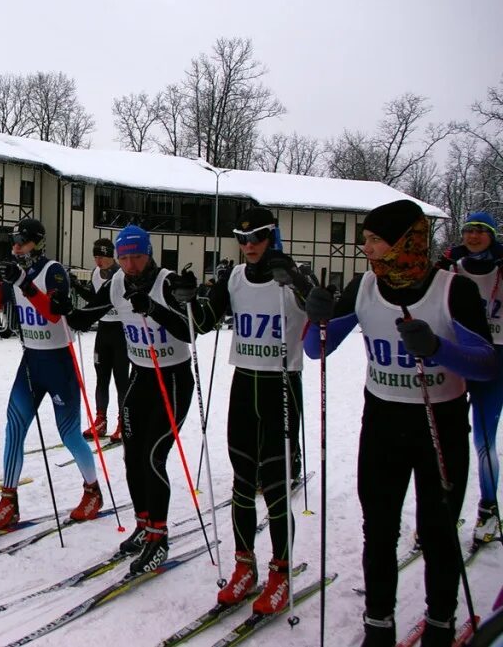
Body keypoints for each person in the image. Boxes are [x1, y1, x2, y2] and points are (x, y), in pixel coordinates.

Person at [304, 199, 495, 647]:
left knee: (438, 529)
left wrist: (438, 349)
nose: (365, 248)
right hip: (384, 420)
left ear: (403, 242)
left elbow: (487, 365)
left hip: (440, 421)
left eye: (373, 240)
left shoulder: (454, 289)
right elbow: (317, 350)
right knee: (380, 527)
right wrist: (316, 317)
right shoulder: (364, 287)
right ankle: (378, 624)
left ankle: (441, 624)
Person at [186, 206, 313, 613]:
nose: (248, 246)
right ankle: (245, 566)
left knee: (275, 485)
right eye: (242, 239)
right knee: (242, 481)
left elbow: (323, 316)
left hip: (280, 386)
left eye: (256, 238)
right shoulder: (236, 277)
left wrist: (297, 282)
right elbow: (205, 322)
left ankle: (281, 570)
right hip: (244, 384)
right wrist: (188, 298)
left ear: (271, 236)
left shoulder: (292, 274)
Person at [62, 224, 195, 572]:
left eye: (136, 256)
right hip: (141, 377)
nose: (130, 264)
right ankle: (143, 523)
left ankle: (159, 536)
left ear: (148, 253)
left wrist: (153, 308)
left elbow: (190, 330)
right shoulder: (118, 281)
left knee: (153, 456)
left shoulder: (166, 281)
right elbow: (87, 313)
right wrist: (61, 307)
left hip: (173, 379)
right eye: (124, 257)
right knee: (132, 455)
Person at [0, 219, 102, 532]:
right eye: (13, 240)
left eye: (22, 241)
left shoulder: (53, 270)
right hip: (31, 360)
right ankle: (8, 502)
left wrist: (25, 283)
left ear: (37, 242)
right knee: (14, 427)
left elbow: (54, 312)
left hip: (59, 362)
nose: (16, 246)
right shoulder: (15, 272)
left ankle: (92, 490)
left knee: (69, 434)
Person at [437, 211, 503, 545]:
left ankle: (488, 508)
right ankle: (440, 512)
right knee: (442, 435)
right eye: (468, 230)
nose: (473, 236)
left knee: (484, 439)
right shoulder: (453, 267)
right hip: (458, 354)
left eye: (481, 231)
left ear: (492, 235)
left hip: (495, 358)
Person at [70, 237, 129, 442]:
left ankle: (124, 421)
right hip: (103, 330)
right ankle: (100, 419)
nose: (98, 261)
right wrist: (77, 286)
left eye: (101, 256)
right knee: (101, 377)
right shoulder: (96, 273)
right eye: (95, 256)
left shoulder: (122, 274)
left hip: (121, 330)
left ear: (110, 255)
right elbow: (96, 301)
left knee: (122, 379)